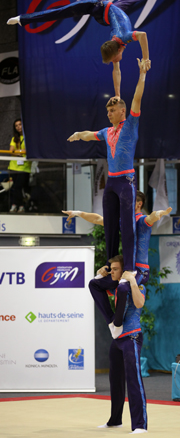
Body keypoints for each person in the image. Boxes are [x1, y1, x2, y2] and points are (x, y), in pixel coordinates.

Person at [67, 59, 149, 275]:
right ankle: (110, 265)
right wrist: (77, 135)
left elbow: (137, 98)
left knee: (127, 226)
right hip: (112, 182)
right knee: (111, 225)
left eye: (112, 110)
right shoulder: (106, 131)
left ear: (122, 111)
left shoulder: (130, 125)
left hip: (125, 181)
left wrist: (142, 75)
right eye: (108, 110)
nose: (109, 113)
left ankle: (129, 268)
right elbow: (89, 134)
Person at [62, 192, 172, 338]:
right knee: (94, 284)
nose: (125, 205)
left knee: (122, 287)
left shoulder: (142, 221)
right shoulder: (123, 221)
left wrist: (159, 213)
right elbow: (98, 219)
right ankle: (112, 322)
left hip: (140, 271)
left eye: (129, 202)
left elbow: (151, 217)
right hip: (126, 270)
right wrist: (77, 213)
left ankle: (119, 324)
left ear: (139, 204)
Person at [7, 0, 155, 66]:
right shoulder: (124, 38)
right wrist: (146, 59)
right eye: (113, 61)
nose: (114, 63)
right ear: (117, 52)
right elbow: (143, 35)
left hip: (102, 12)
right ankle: (23, 18)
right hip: (102, 8)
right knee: (60, 12)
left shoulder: (118, 42)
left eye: (112, 61)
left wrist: (117, 94)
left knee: (125, 3)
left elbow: (116, 66)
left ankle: (22, 19)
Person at [97, 255, 148, 433]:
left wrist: (132, 281)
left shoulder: (138, 285)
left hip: (132, 338)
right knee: (115, 382)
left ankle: (140, 425)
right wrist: (100, 275)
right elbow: (100, 290)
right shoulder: (118, 287)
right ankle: (115, 420)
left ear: (124, 270)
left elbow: (139, 302)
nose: (112, 271)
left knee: (134, 380)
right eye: (111, 269)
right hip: (117, 340)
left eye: (116, 269)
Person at [8, 118, 31, 213]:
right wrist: (20, 153)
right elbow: (11, 151)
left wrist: (17, 152)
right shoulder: (14, 138)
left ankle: (20, 205)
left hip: (24, 168)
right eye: (16, 126)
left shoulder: (29, 137)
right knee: (14, 187)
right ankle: (15, 205)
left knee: (19, 187)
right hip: (13, 167)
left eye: (20, 125)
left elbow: (29, 151)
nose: (18, 127)